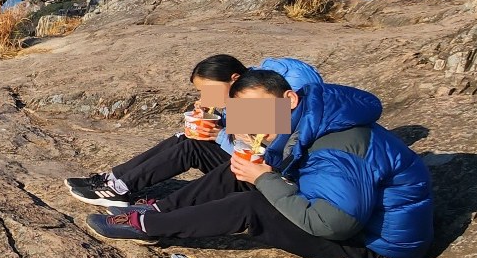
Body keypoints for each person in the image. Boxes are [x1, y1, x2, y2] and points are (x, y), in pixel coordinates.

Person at [85, 71, 434, 258]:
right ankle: (161, 210)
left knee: (252, 204)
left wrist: (264, 178)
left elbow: (334, 224)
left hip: (377, 250)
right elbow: (247, 128)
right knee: (240, 169)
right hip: (340, 212)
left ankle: (149, 226)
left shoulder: (340, 146)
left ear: (290, 99)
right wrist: (217, 123)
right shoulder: (312, 114)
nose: (251, 121)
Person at [66, 54, 322, 208]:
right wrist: (212, 115)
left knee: (193, 145)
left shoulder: (267, 98)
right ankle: (113, 180)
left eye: (208, 89)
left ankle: (119, 189)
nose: (205, 96)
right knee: (184, 137)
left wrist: (218, 132)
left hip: (271, 177)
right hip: (255, 166)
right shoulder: (251, 86)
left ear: (234, 79)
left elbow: (262, 151)